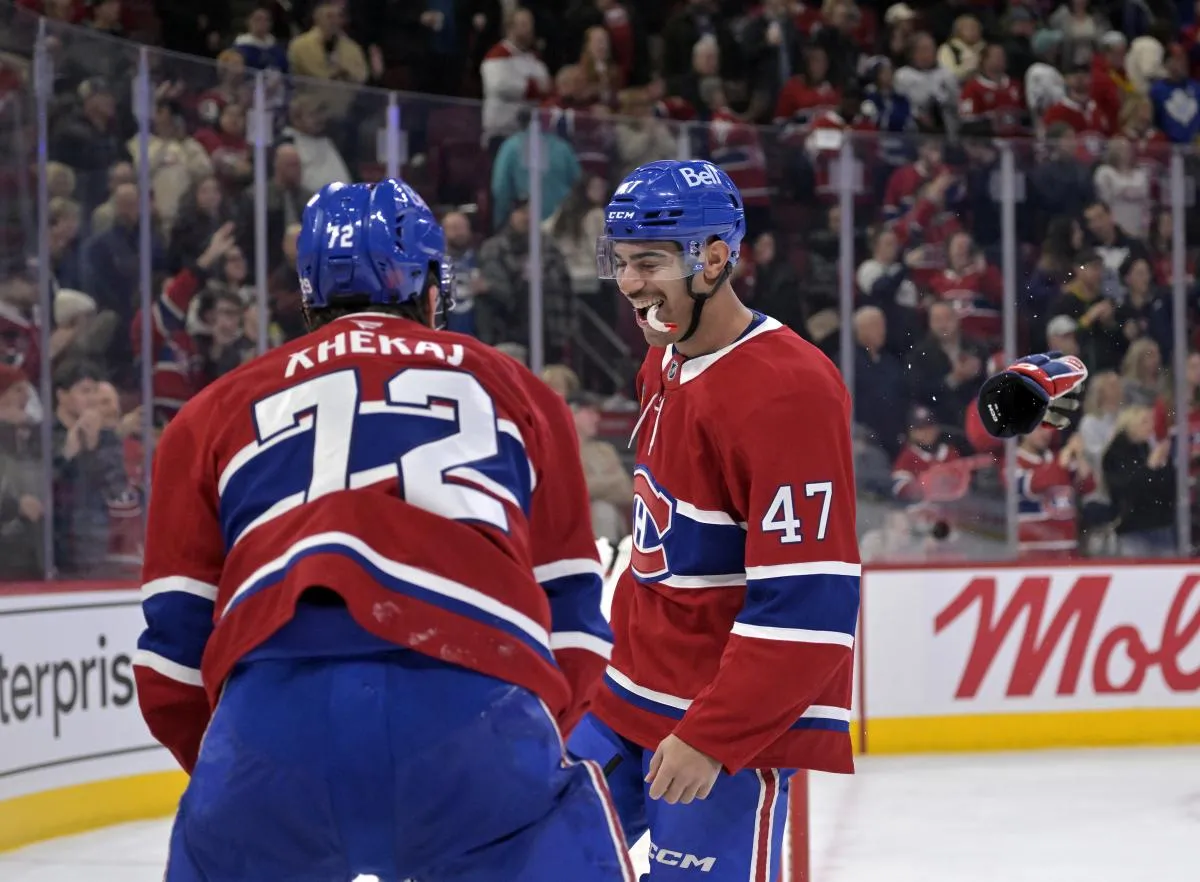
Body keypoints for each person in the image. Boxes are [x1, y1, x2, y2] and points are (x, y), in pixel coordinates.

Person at [133, 178, 634, 882]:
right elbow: (576, 622)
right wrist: (523, 740)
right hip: (477, 704)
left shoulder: (212, 410)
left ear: (309, 295)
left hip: (270, 725)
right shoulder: (518, 388)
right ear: (430, 287)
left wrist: (238, 770)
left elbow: (170, 659)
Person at [569, 159, 860, 879]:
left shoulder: (789, 393)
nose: (631, 283)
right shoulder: (667, 358)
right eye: (622, 262)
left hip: (714, 729)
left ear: (716, 259)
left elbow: (810, 607)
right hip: (624, 700)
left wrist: (713, 734)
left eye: (650, 262)